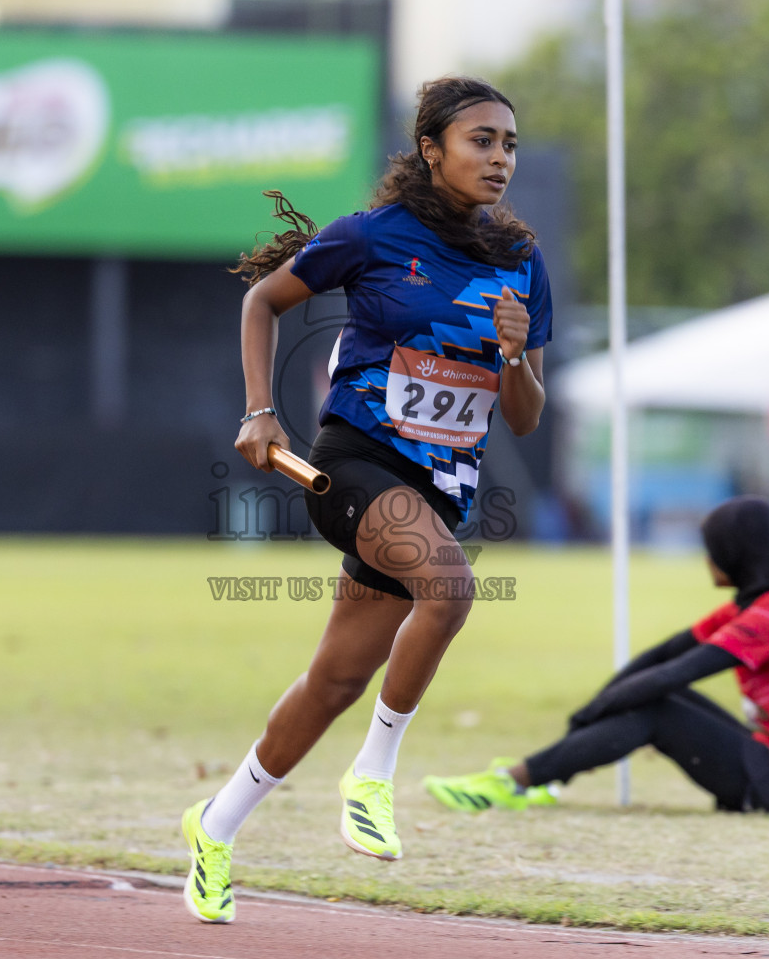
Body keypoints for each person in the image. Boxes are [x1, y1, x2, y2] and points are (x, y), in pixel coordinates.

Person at [179, 77, 553, 924]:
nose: (500, 159)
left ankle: (215, 824)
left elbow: (526, 419)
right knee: (450, 589)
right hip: (352, 466)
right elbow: (261, 300)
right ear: (432, 149)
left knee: (336, 679)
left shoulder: (521, 262)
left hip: (439, 491)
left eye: (510, 145)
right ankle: (374, 775)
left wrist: (517, 355)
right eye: (481, 141)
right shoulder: (376, 236)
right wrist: (258, 408)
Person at [423, 496, 769, 816]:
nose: (707, 559)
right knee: (655, 699)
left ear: (737, 553)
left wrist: (593, 713)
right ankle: (543, 777)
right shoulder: (760, 608)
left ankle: (511, 783)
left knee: (657, 709)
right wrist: (588, 715)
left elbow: (675, 674)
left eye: (712, 548)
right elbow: (662, 655)